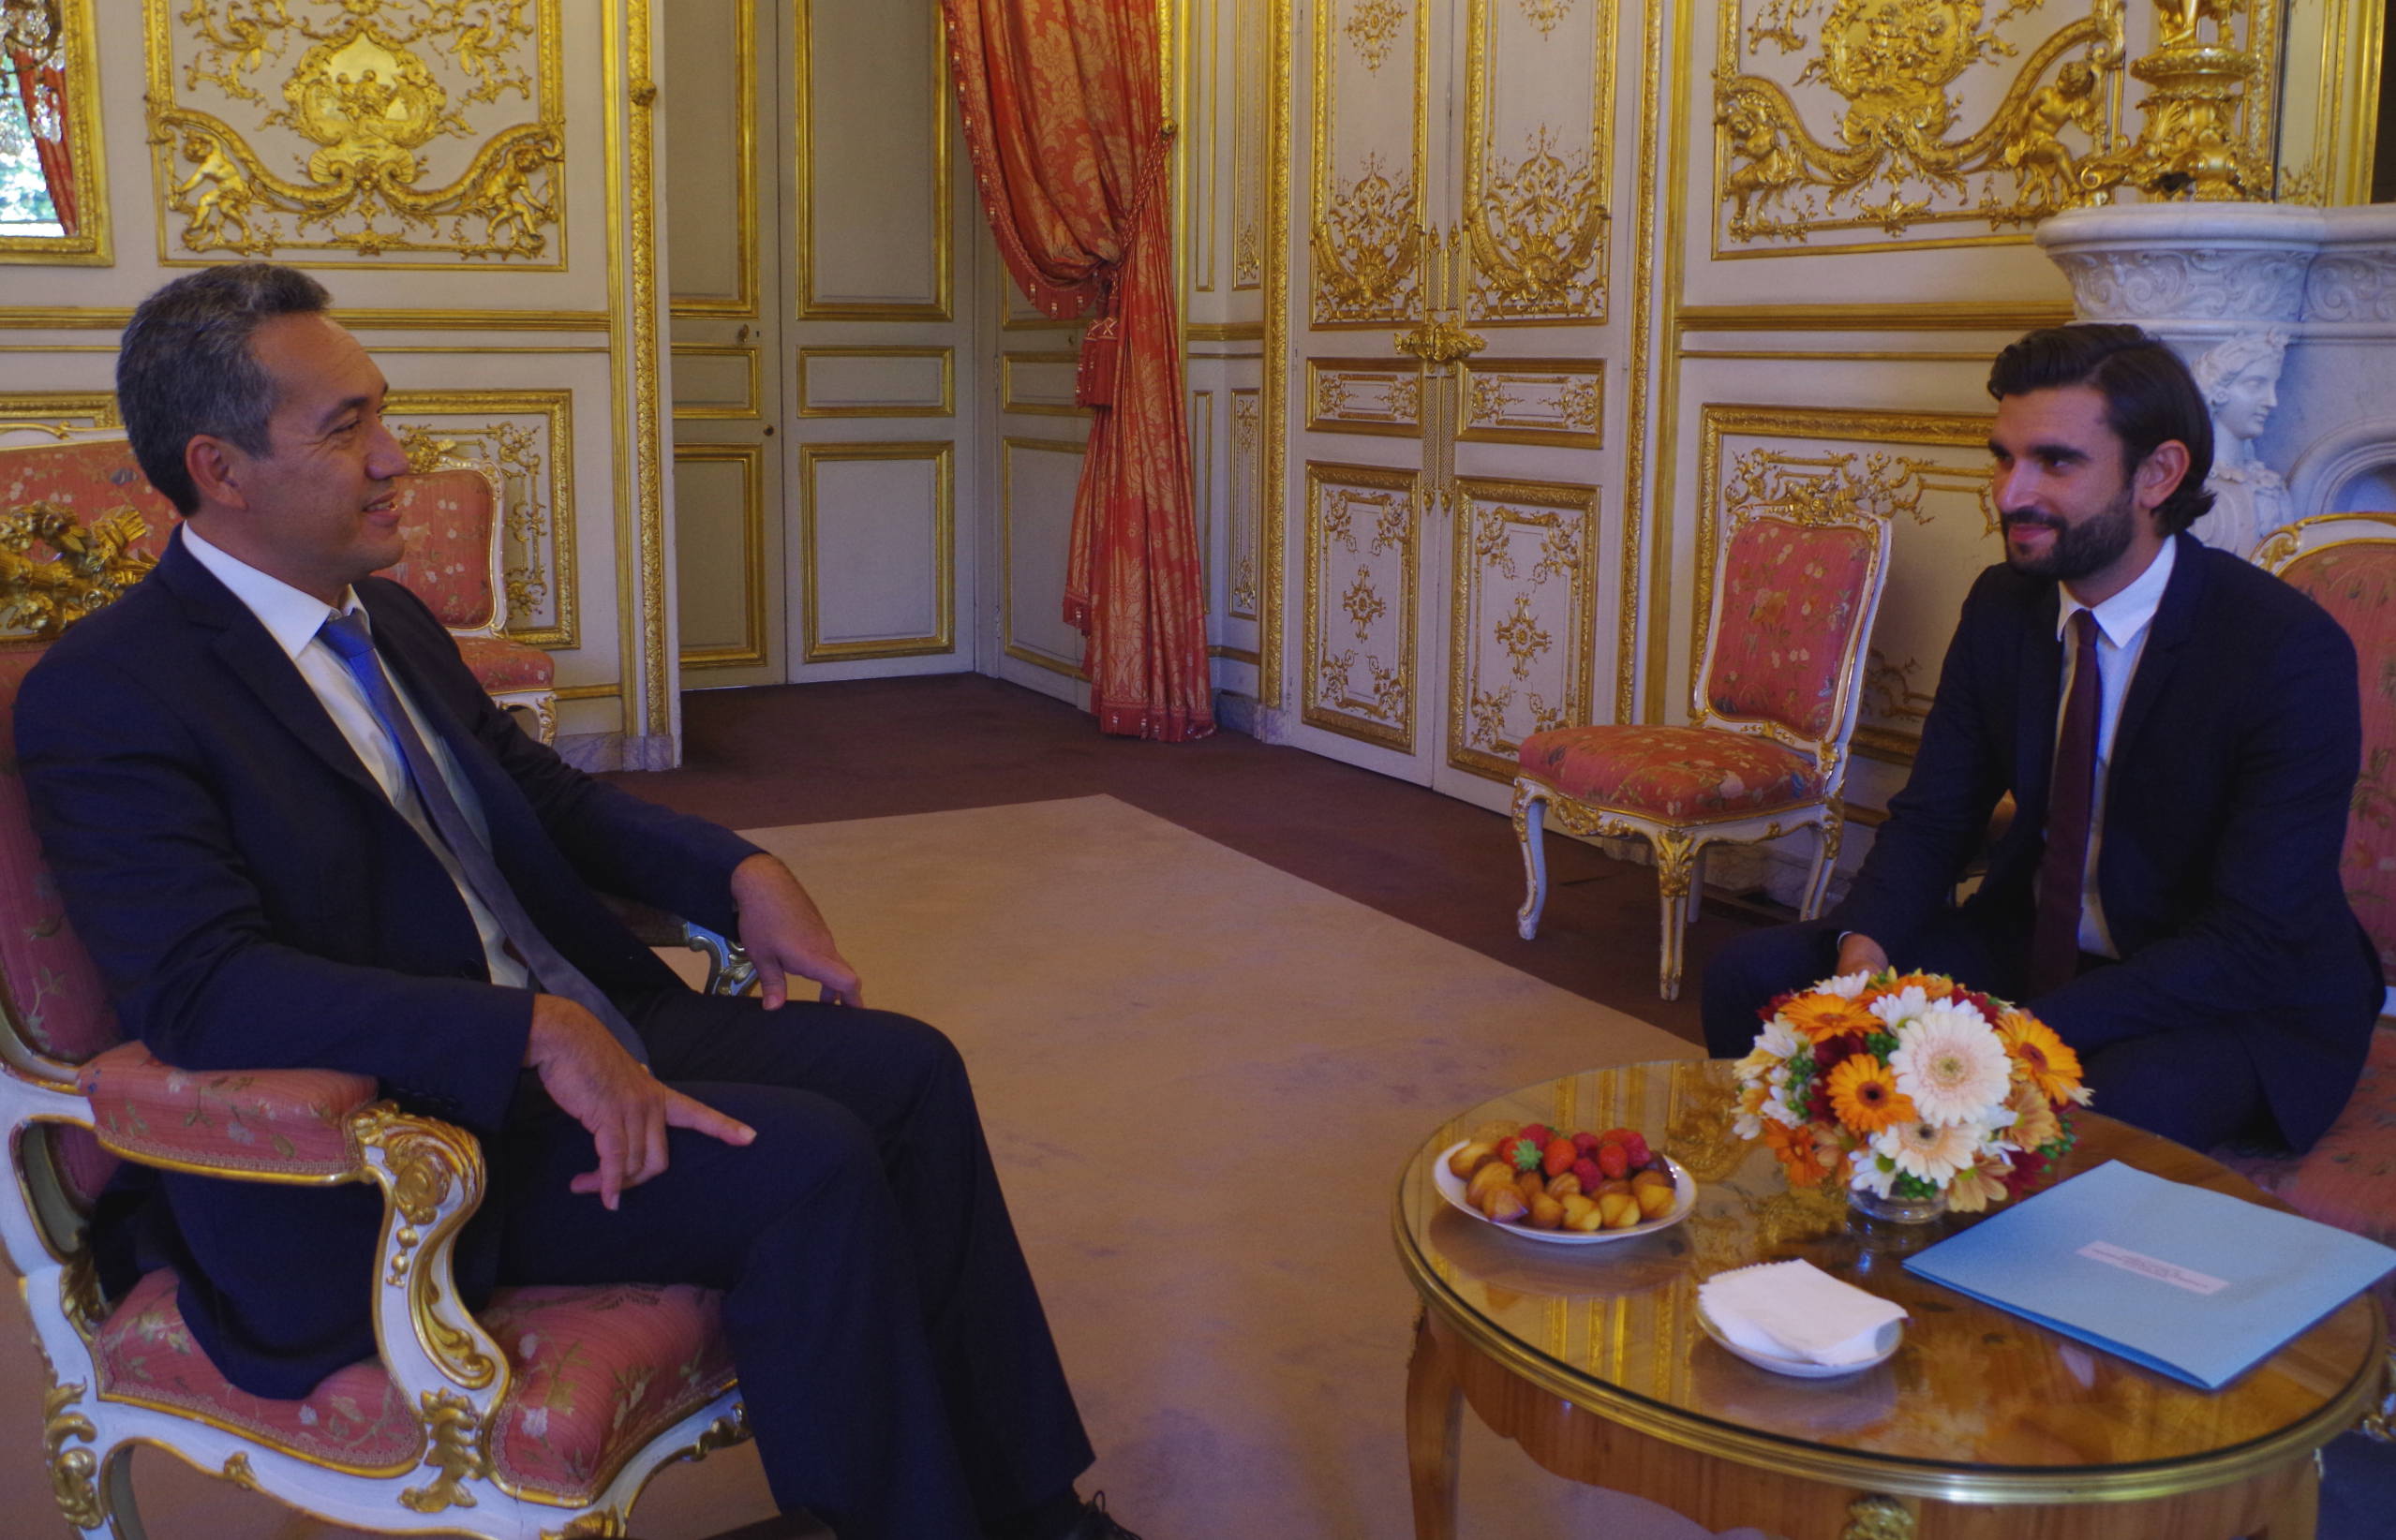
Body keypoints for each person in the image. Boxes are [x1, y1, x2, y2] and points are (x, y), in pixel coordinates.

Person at [15, 263, 1137, 1540]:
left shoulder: (383, 616)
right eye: (346, 432)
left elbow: (543, 800)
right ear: (217, 469)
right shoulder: (113, 692)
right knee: (811, 1162)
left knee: (910, 1073)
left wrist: (737, 871)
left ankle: (1030, 1506)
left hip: (575, 1020)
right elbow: (204, 990)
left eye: (385, 413)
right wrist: (532, 1034)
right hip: (399, 1139)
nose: (398, 461)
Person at [1701, 323, 2381, 1156]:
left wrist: (2005, 1035)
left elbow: (2250, 937)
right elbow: (1934, 817)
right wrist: (1862, 950)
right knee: (1758, 979)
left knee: (2097, 1113)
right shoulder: (2003, 605)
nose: (2009, 493)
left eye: (2055, 463)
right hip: (2029, 943)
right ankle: (1809, 1224)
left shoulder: (2281, 650)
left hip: (2223, 990)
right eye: (2003, 457)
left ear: (2157, 474)